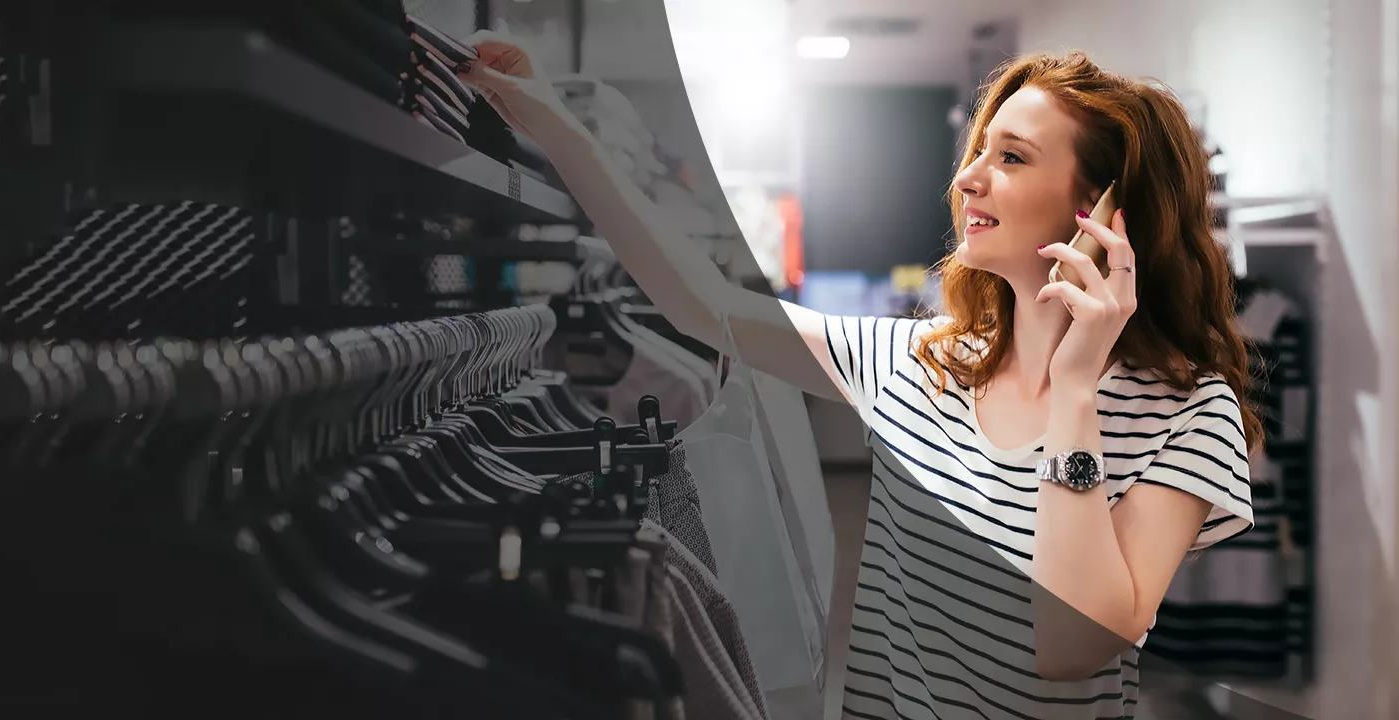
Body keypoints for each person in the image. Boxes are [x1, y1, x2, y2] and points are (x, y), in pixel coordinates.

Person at [459, 35, 1260, 720]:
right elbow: (703, 305)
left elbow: (1073, 646)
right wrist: (558, 127)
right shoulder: (921, 363)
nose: (967, 179)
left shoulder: (1188, 414)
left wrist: (1076, 390)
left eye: (1010, 157)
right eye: (976, 152)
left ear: (1105, 211)